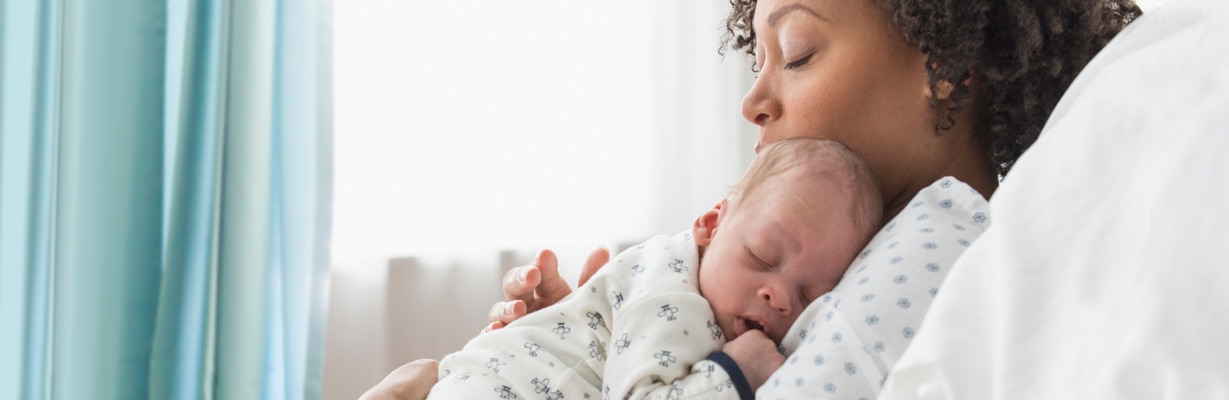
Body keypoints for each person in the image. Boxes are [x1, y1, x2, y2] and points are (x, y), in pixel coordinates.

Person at [362, 0, 1140, 397]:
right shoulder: (837, 271)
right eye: (758, 57)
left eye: (796, 52)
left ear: (946, 61)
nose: (755, 101)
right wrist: (581, 348)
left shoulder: (953, 270)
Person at [425, 138, 883, 400]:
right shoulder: (675, 293)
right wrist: (734, 374)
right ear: (710, 225)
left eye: (808, 295)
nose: (780, 297)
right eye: (762, 257)